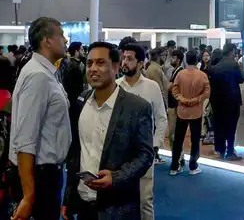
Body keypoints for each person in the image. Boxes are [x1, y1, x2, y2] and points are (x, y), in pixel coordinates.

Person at [61, 42, 154, 220]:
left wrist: (116, 177)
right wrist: (68, 197)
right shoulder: (81, 101)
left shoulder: (136, 107)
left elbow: (145, 155)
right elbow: (76, 153)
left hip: (117, 207)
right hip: (83, 204)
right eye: (89, 63)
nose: (93, 69)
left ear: (116, 67)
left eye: (101, 63)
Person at [10, 17, 71, 220]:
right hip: (39, 176)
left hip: (45, 174)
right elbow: (25, 139)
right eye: (61, 35)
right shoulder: (38, 76)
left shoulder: (45, 72)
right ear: (48, 41)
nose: (65, 40)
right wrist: (28, 196)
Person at [117, 44, 168, 220]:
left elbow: (161, 118)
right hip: (118, 152)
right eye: (123, 58)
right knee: (120, 199)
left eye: (130, 59)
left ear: (140, 63)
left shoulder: (151, 87)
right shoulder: (115, 86)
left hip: (143, 151)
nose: (124, 62)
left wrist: (155, 146)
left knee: (145, 199)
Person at [170, 51, 210, 176]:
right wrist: (196, 100)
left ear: (186, 60)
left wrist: (182, 99)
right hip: (196, 111)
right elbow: (207, 92)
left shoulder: (180, 74)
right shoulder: (202, 75)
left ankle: (174, 166)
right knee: (195, 140)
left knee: (178, 139)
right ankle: (193, 166)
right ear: (197, 60)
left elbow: (174, 89)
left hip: (182, 111)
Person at [209, 43, 243, 160]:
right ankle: (230, 152)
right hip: (232, 101)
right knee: (231, 127)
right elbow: (241, 79)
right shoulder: (234, 65)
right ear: (232, 51)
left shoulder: (215, 67)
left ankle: (220, 150)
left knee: (219, 126)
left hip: (217, 102)